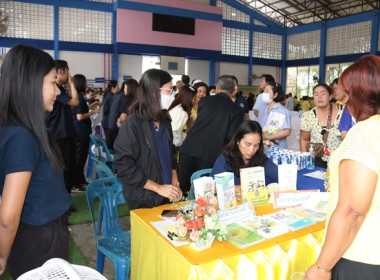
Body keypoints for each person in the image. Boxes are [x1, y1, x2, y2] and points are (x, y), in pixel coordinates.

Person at [305, 55, 380, 280]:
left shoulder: (364, 133)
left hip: (362, 254)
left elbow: (353, 211)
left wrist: (322, 267)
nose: (345, 104)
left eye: (346, 96)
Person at [0, 44, 72, 278]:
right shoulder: (22, 136)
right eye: (53, 82)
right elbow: (8, 216)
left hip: (46, 234)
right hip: (39, 242)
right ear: (31, 83)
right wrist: (2, 255)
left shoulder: (27, 128)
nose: (58, 91)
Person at [113, 69, 182, 210]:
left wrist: (174, 181)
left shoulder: (165, 120)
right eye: (169, 90)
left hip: (166, 193)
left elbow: (170, 154)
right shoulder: (133, 124)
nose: (172, 95)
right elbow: (124, 166)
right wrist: (158, 188)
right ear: (153, 92)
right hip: (143, 196)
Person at [178, 75, 244, 194]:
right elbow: (231, 137)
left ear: (217, 88)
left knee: (183, 189)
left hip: (188, 148)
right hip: (210, 155)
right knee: (204, 193)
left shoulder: (205, 101)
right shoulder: (236, 110)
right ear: (234, 90)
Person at [45, 59, 79, 193]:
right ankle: (63, 200)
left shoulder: (60, 90)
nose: (68, 75)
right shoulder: (56, 89)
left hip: (64, 135)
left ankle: (66, 198)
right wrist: (72, 83)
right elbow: (74, 102)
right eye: (68, 72)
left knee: (68, 166)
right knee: (64, 168)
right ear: (60, 71)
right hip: (60, 136)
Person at [210, 120, 278, 186]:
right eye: (248, 144)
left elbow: (278, 174)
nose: (251, 150)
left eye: (256, 145)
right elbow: (213, 185)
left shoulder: (259, 157)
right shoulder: (226, 158)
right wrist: (237, 188)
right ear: (238, 141)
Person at [299, 83, 343, 168]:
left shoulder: (343, 112)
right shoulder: (308, 116)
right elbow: (304, 139)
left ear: (330, 96)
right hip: (317, 161)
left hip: (340, 161)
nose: (319, 96)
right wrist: (306, 160)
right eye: (316, 94)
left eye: (323, 94)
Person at [72, 74, 99, 191]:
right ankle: (75, 183)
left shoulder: (79, 97)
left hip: (81, 131)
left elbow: (83, 110)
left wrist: (93, 106)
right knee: (79, 157)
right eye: (85, 83)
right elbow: (79, 116)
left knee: (81, 157)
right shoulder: (78, 97)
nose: (86, 85)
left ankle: (80, 180)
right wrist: (93, 112)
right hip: (80, 132)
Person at [257, 82, 291, 149]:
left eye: (267, 91)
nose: (264, 94)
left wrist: (268, 137)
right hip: (263, 148)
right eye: (264, 91)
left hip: (278, 149)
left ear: (275, 95)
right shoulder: (262, 110)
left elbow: (287, 132)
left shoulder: (282, 110)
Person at [107, 79, 138, 149]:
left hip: (126, 129)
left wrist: (118, 119)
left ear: (129, 88)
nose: (123, 89)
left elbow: (123, 117)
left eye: (125, 87)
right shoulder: (138, 99)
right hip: (135, 130)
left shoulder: (125, 98)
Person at [101, 80, 119, 149]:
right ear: (112, 88)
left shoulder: (108, 95)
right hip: (109, 123)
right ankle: (108, 159)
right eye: (117, 86)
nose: (118, 87)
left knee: (108, 142)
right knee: (109, 143)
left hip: (106, 122)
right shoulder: (111, 97)